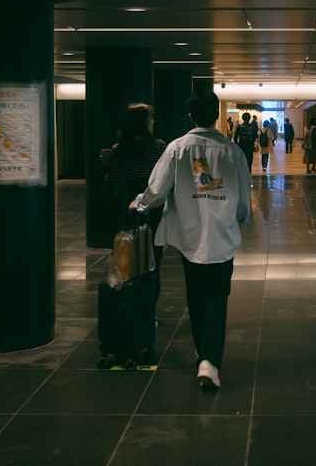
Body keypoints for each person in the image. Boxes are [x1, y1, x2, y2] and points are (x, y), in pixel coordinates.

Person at [131, 91, 252, 389]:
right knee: (217, 296)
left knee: (196, 294)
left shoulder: (177, 148)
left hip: (190, 234)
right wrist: (241, 217)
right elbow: (243, 195)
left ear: (191, 116)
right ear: (216, 114)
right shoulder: (232, 151)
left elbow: (157, 188)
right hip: (222, 234)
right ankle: (209, 361)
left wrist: (140, 204)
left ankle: (203, 353)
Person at [101, 103, 167, 303]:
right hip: (154, 207)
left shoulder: (119, 150)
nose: (152, 122)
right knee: (153, 257)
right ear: (144, 123)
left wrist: (106, 165)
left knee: (129, 255)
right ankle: (148, 307)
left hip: (130, 208)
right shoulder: (158, 147)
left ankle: (129, 302)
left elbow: (112, 181)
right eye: (150, 118)